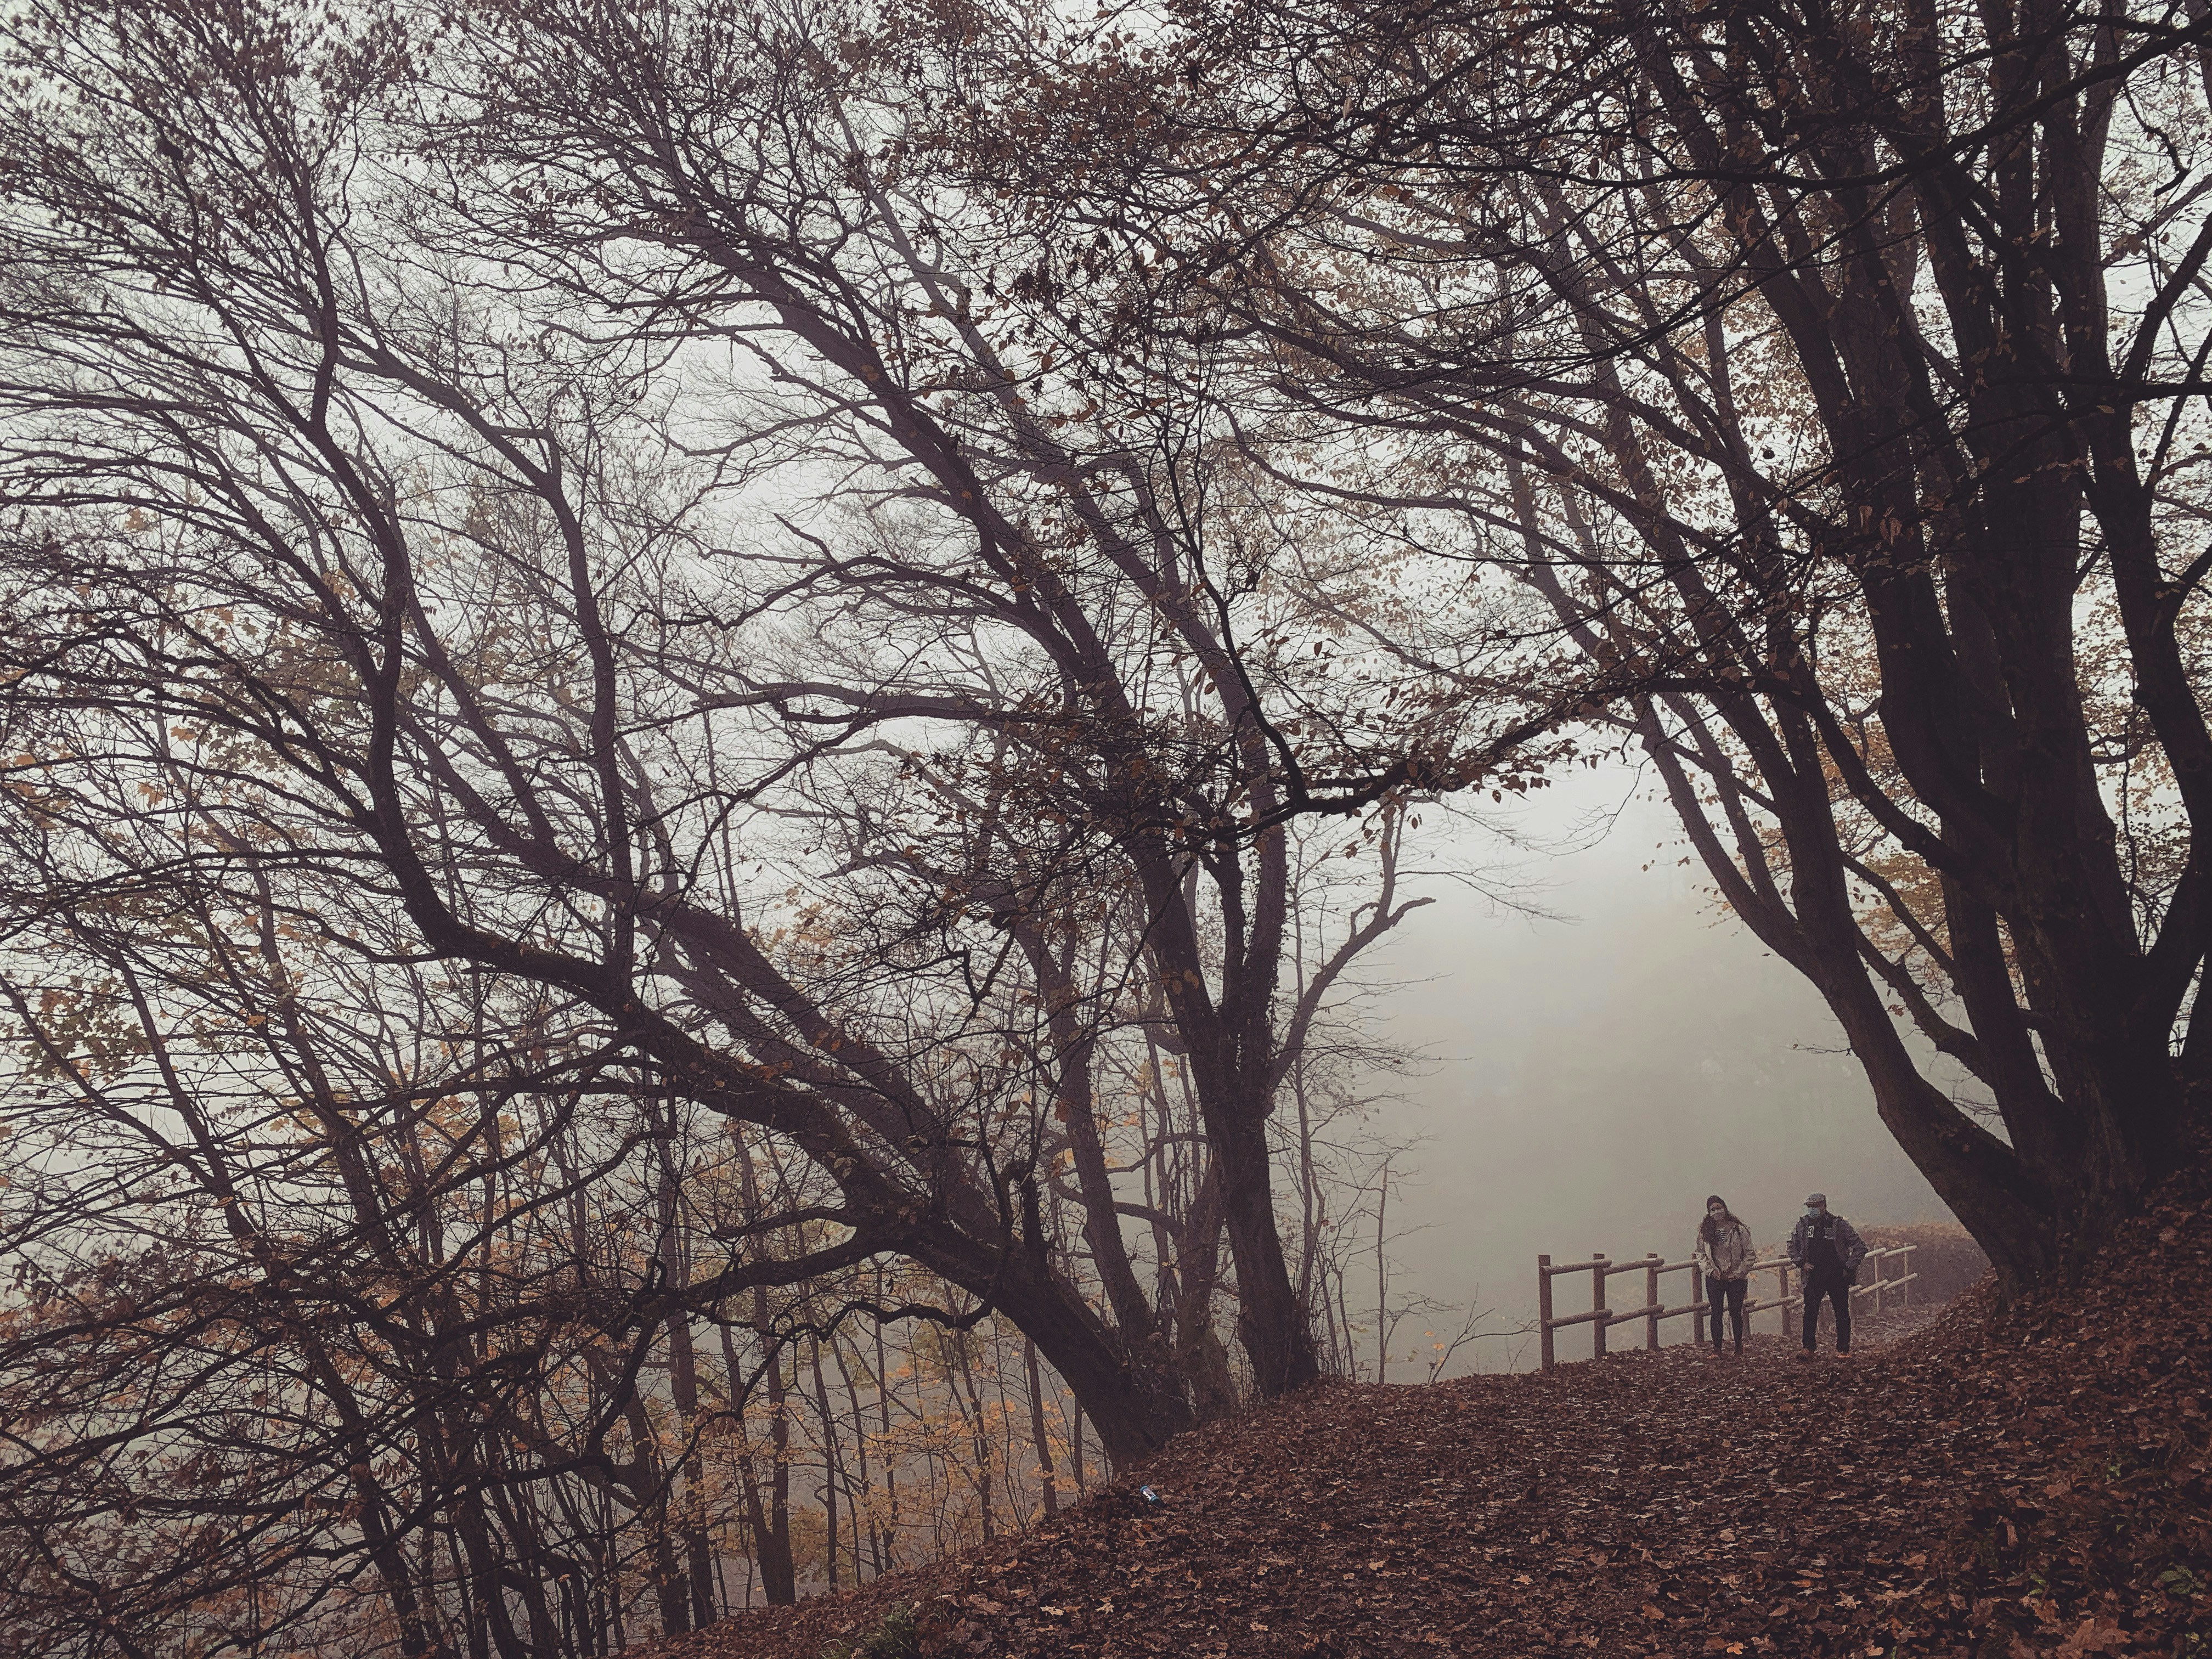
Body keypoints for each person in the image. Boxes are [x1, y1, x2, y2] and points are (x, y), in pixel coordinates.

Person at [1787, 1192, 1867, 1359]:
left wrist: (1848, 1267)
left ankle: (1843, 1349)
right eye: (1809, 1207)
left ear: (1823, 1206)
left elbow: (1859, 1246)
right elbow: (1792, 1246)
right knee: (1810, 1312)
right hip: (1813, 1275)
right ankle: (1808, 1348)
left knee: (1842, 1312)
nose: (1811, 1210)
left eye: (1814, 1207)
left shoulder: (1839, 1224)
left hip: (1837, 1275)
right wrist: (1801, 1263)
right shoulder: (1802, 1224)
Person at [1693, 1195, 1754, 1357]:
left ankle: (1739, 1348)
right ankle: (1717, 1349)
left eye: (1719, 1208)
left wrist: (1739, 1272)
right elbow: (1700, 1254)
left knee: (1736, 1312)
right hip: (1715, 1278)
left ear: (1725, 1208)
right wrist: (1711, 1271)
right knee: (1716, 1312)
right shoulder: (1705, 1232)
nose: (1716, 1212)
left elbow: (1749, 1254)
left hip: (1736, 1278)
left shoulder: (1739, 1230)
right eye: (1712, 1210)